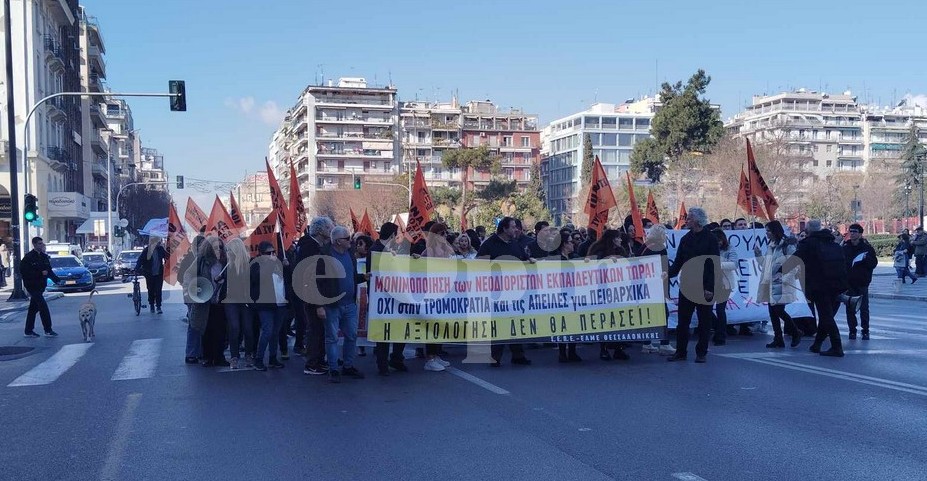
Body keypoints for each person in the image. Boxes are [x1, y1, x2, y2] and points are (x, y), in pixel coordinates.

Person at [476, 216, 532, 367]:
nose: (516, 230)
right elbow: (478, 264)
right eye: (513, 227)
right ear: (504, 228)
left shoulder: (514, 243)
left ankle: (518, 354)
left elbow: (524, 258)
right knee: (499, 323)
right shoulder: (489, 244)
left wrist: (530, 261)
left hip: (515, 290)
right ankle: (495, 357)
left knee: (515, 322)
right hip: (496, 291)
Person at [666, 207, 719, 363]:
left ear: (697, 220)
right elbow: (678, 262)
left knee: (704, 322)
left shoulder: (710, 238)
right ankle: (680, 352)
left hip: (704, 286)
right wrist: (667, 274)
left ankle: (701, 353)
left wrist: (710, 288)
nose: (686, 220)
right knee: (683, 322)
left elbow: (713, 264)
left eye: (689, 218)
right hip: (688, 285)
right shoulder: (685, 239)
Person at [320, 226, 368, 383]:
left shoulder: (350, 254)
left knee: (352, 335)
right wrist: (319, 305)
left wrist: (363, 277)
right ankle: (333, 369)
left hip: (349, 304)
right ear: (338, 241)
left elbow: (351, 276)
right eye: (347, 239)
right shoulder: (324, 256)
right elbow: (317, 282)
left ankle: (348, 366)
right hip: (332, 305)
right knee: (332, 337)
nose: (351, 241)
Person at [793, 220, 848, 357]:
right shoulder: (834, 244)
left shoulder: (808, 244)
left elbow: (794, 260)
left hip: (819, 285)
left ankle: (837, 346)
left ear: (808, 231)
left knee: (826, 316)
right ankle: (817, 344)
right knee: (826, 316)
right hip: (837, 285)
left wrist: (779, 272)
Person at [296, 216, 335, 376]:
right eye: (329, 227)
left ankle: (318, 360)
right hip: (312, 296)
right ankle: (312, 363)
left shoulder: (313, 245)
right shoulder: (310, 247)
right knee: (315, 330)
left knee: (319, 329)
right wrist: (318, 303)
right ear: (320, 230)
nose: (331, 230)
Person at [754, 221, 802, 349]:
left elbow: (795, 264)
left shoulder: (788, 245)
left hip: (782, 284)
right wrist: (758, 255)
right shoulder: (771, 245)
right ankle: (778, 338)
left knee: (778, 310)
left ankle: (795, 332)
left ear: (775, 231)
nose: (767, 233)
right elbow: (767, 265)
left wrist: (783, 278)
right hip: (771, 283)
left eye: (768, 231)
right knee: (773, 312)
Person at [370, 222, 408, 376]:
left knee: (401, 328)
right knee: (384, 331)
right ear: (392, 235)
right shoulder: (375, 250)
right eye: (397, 234)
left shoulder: (394, 249)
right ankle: (382, 364)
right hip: (382, 297)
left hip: (397, 295)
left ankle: (396, 359)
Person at [586, 229, 630, 361]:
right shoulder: (597, 248)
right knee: (604, 319)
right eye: (618, 238)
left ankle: (618, 348)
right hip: (602, 289)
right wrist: (606, 260)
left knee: (619, 319)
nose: (621, 240)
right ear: (612, 239)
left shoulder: (621, 250)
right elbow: (589, 266)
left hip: (618, 289)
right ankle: (603, 348)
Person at [421, 223, 455, 372]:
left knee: (441, 324)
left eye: (446, 233)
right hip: (431, 292)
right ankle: (429, 357)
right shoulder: (428, 251)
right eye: (442, 234)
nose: (445, 236)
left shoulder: (447, 250)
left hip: (444, 291)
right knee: (432, 325)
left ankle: (436, 354)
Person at [637, 225, 676, 355]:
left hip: (645, 285)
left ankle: (647, 343)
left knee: (648, 315)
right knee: (663, 315)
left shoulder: (644, 246)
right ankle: (664, 343)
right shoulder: (660, 248)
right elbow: (664, 268)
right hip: (657, 286)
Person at [250, 241, 287, 371]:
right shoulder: (255, 264)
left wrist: (287, 266)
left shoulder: (278, 263)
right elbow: (257, 278)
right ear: (260, 253)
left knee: (275, 332)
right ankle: (259, 358)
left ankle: (272, 357)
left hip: (280, 302)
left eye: (273, 252)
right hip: (264, 303)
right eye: (268, 253)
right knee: (267, 330)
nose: (272, 255)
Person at [223, 238, 255, 369]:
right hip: (231, 300)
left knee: (248, 329)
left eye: (229, 250)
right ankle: (234, 356)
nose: (227, 252)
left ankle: (248, 354)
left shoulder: (249, 263)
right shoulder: (227, 264)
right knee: (234, 327)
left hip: (246, 300)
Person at [21, 237, 61, 337]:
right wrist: (40, 273)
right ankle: (48, 329)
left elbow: (48, 270)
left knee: (33, 309)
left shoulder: (44, 257)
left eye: (41, 243)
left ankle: (28, 330)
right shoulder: (28, 257)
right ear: (34, 244)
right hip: (32, 286)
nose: (41, 245)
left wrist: (57, 280)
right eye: (39, 243)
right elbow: (24, 272)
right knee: (43, 307)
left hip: (40, 286)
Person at [843, 223, 877, 340]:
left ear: (860, 234)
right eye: (850, 231)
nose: (852, 234)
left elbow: (873, 264)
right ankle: (852, 330)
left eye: (854, 232)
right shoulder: (845, 247)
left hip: (862, 282)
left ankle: (865, 330)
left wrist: (865, 258)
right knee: (850, 308)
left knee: (864, 308)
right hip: (849, 282)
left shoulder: (867, 248)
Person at [711, 228, 738, 346]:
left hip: (724, 284)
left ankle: (720, 336)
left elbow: (734, 264)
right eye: (716, 241)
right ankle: (720, 328)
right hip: (711, 283)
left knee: (720, 310)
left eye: (720, 240)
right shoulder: (709, 249)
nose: (718, 243)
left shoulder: (729, 249)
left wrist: (719, 264)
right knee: (705, 309)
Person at [135, 236, 168, 314]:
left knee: (158, 290)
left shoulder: (160, 249)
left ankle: (159, 306)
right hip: (149, 273)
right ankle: (152, 305)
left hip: (159, 273)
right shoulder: (146, 250)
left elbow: (167, 257)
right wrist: (137, 268)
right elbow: (140, 260)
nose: (157, 244)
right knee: (151, 289)